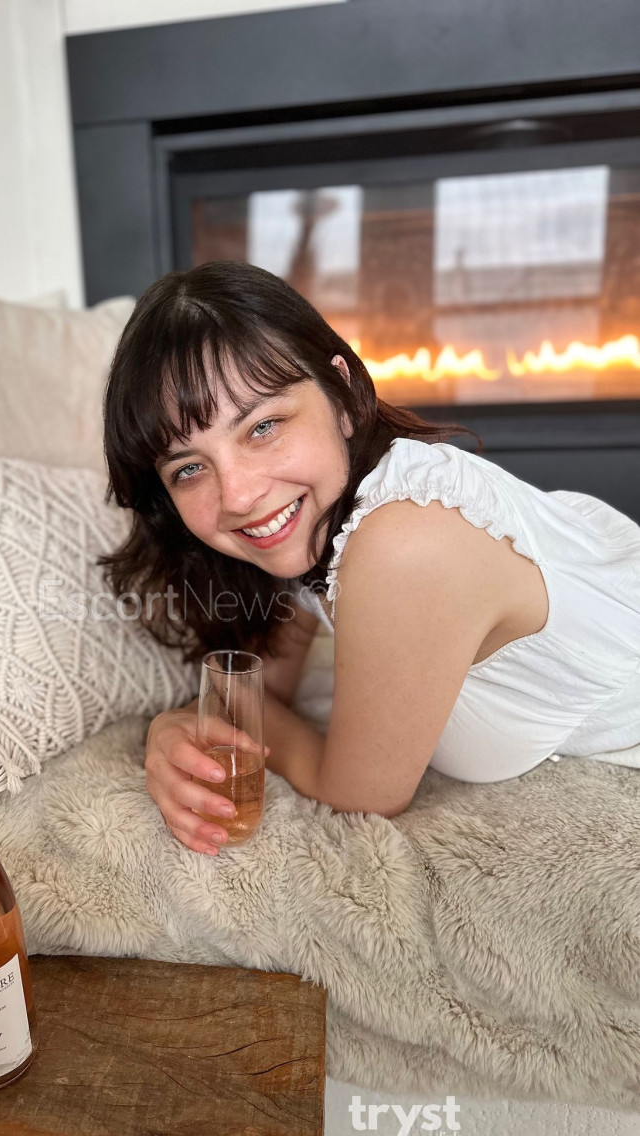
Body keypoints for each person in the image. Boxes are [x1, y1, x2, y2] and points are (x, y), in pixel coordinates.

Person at [98, 261, 640, 858]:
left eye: (264, 426)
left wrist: (221, 723)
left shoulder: (405, 538)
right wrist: (177, 727)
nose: (239, 496)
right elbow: (260, 693)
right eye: (189, 468)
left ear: (345, 395)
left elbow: (360, 794)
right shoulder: (314, 522)